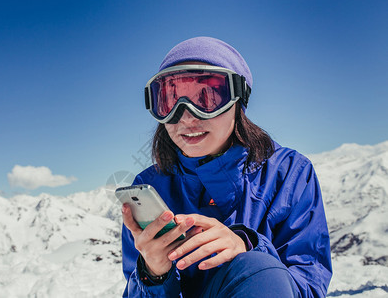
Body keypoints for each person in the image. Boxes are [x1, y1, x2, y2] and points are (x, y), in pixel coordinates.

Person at [121, 36, 332, 298]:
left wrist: (249, 249)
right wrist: (153, 275)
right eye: (170, 99)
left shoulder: (289, 175)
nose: (186, 116)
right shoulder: (152, 190)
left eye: (206, 98)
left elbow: (309, 287)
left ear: (237, 100)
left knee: (257, 267)